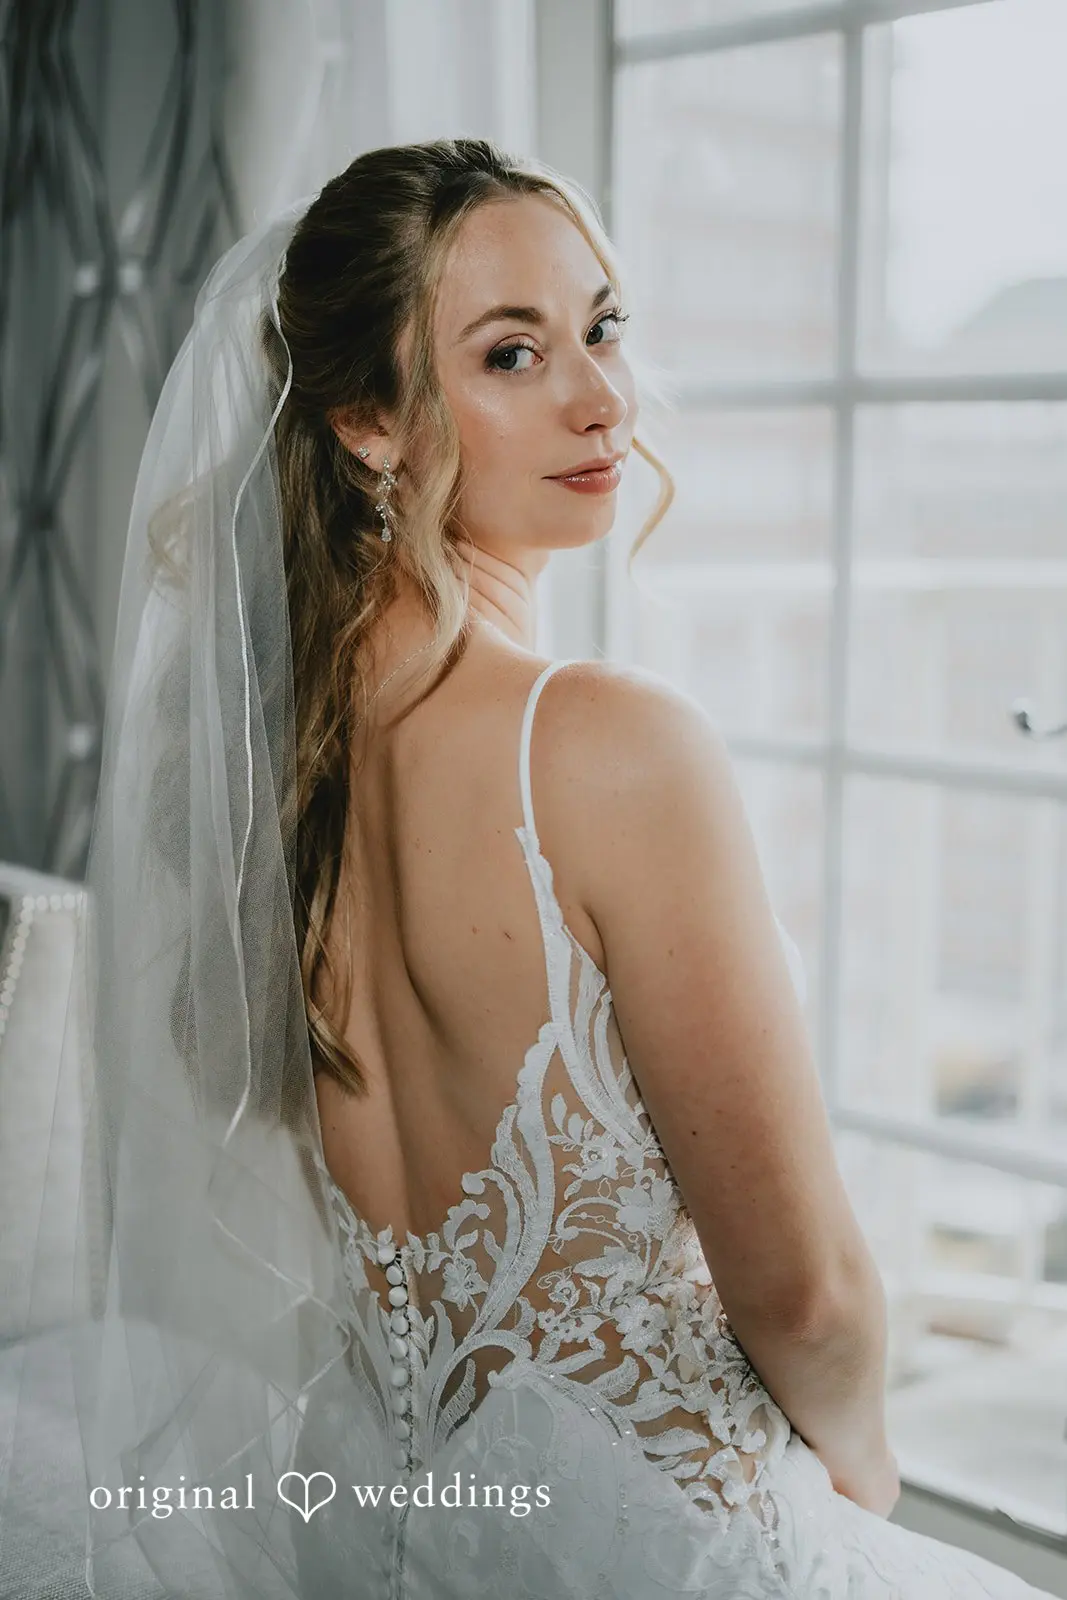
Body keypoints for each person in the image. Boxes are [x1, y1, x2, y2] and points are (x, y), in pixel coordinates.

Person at [23, 138, 1056, 1598]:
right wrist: (857, 1489)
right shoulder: (611, 746)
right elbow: (805, 1295)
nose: (600, 398)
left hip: (399, 1518)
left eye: (603, 326)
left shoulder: (275, 763)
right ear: (369, 422)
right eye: (512, 353)